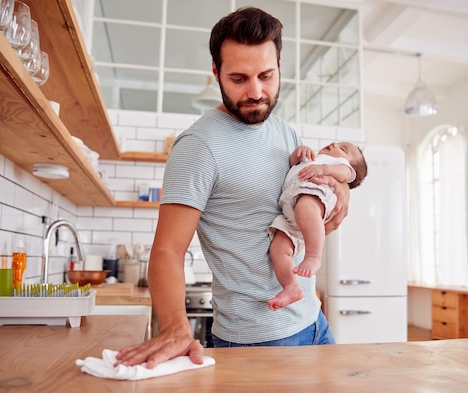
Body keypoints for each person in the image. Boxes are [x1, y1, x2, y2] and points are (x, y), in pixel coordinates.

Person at [115, 7, 350, 369]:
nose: (256, 92)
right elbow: (167, 251)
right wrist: (176, 327)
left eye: (266, 76)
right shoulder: (198, 145)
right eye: (239, 78)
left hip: (314, 319)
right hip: (259, 339)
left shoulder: (285, 131)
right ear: (215, 73)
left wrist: (342, 192)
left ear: (279, 66)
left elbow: (308, 195)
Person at [267, 142, 367, 310]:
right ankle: (291, 287)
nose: (334, 143)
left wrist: (323, 170)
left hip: (315, 192)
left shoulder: (335, 165)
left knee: (306, 209)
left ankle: (313, 255)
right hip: (290, 208)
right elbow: (292, 164)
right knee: (278, 248)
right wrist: (298, 154)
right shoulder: (312, 158)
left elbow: (345, 173)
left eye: (343, 149)